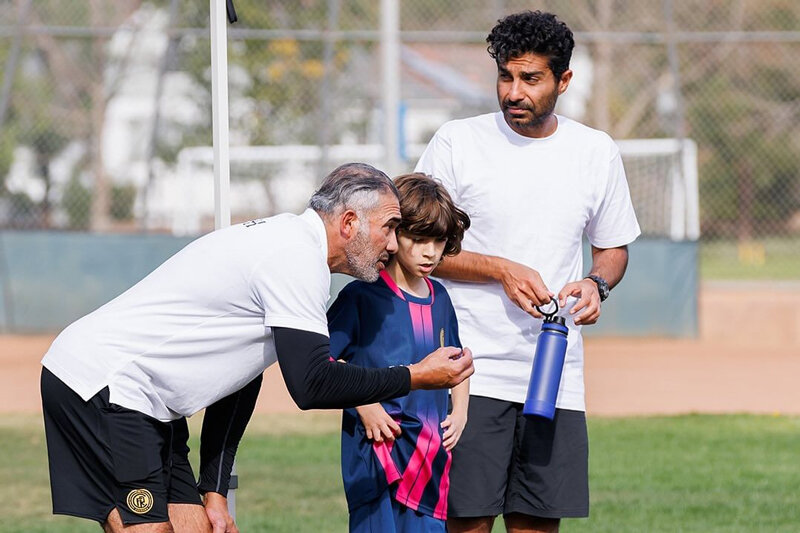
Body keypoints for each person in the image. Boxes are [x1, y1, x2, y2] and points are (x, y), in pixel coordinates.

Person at [40, 163, 474, 533]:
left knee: (196, 525)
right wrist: (414, 376)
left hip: (149, 404)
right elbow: (311, 385)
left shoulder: (298, 254)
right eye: (390, 228)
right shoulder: (294, 259)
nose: (394, 244)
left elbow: (239, 382)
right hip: (104, 385)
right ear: (348, 224)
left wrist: (214, 490)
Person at [414, 11, 641, 533]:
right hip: (468, 371)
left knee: (537, 523)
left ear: (563, 80)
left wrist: (596, 283)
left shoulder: (594, 152)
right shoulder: (456, 142)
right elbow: (417, 249)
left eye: (531, 79)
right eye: (506, 77)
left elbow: (612, 250)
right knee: (466, 521)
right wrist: (498, 269)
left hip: (553, 375)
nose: (514, 92)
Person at [327, 173, 472, 532]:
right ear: (393, 234)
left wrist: (461, 409)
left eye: (438, 241)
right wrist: (365, 405)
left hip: (429, 462)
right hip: (378, 461)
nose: (430, 252)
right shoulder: (361, 296)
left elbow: (458, 361)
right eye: (418, 239)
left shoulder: (442, 299)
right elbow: (322, 363)